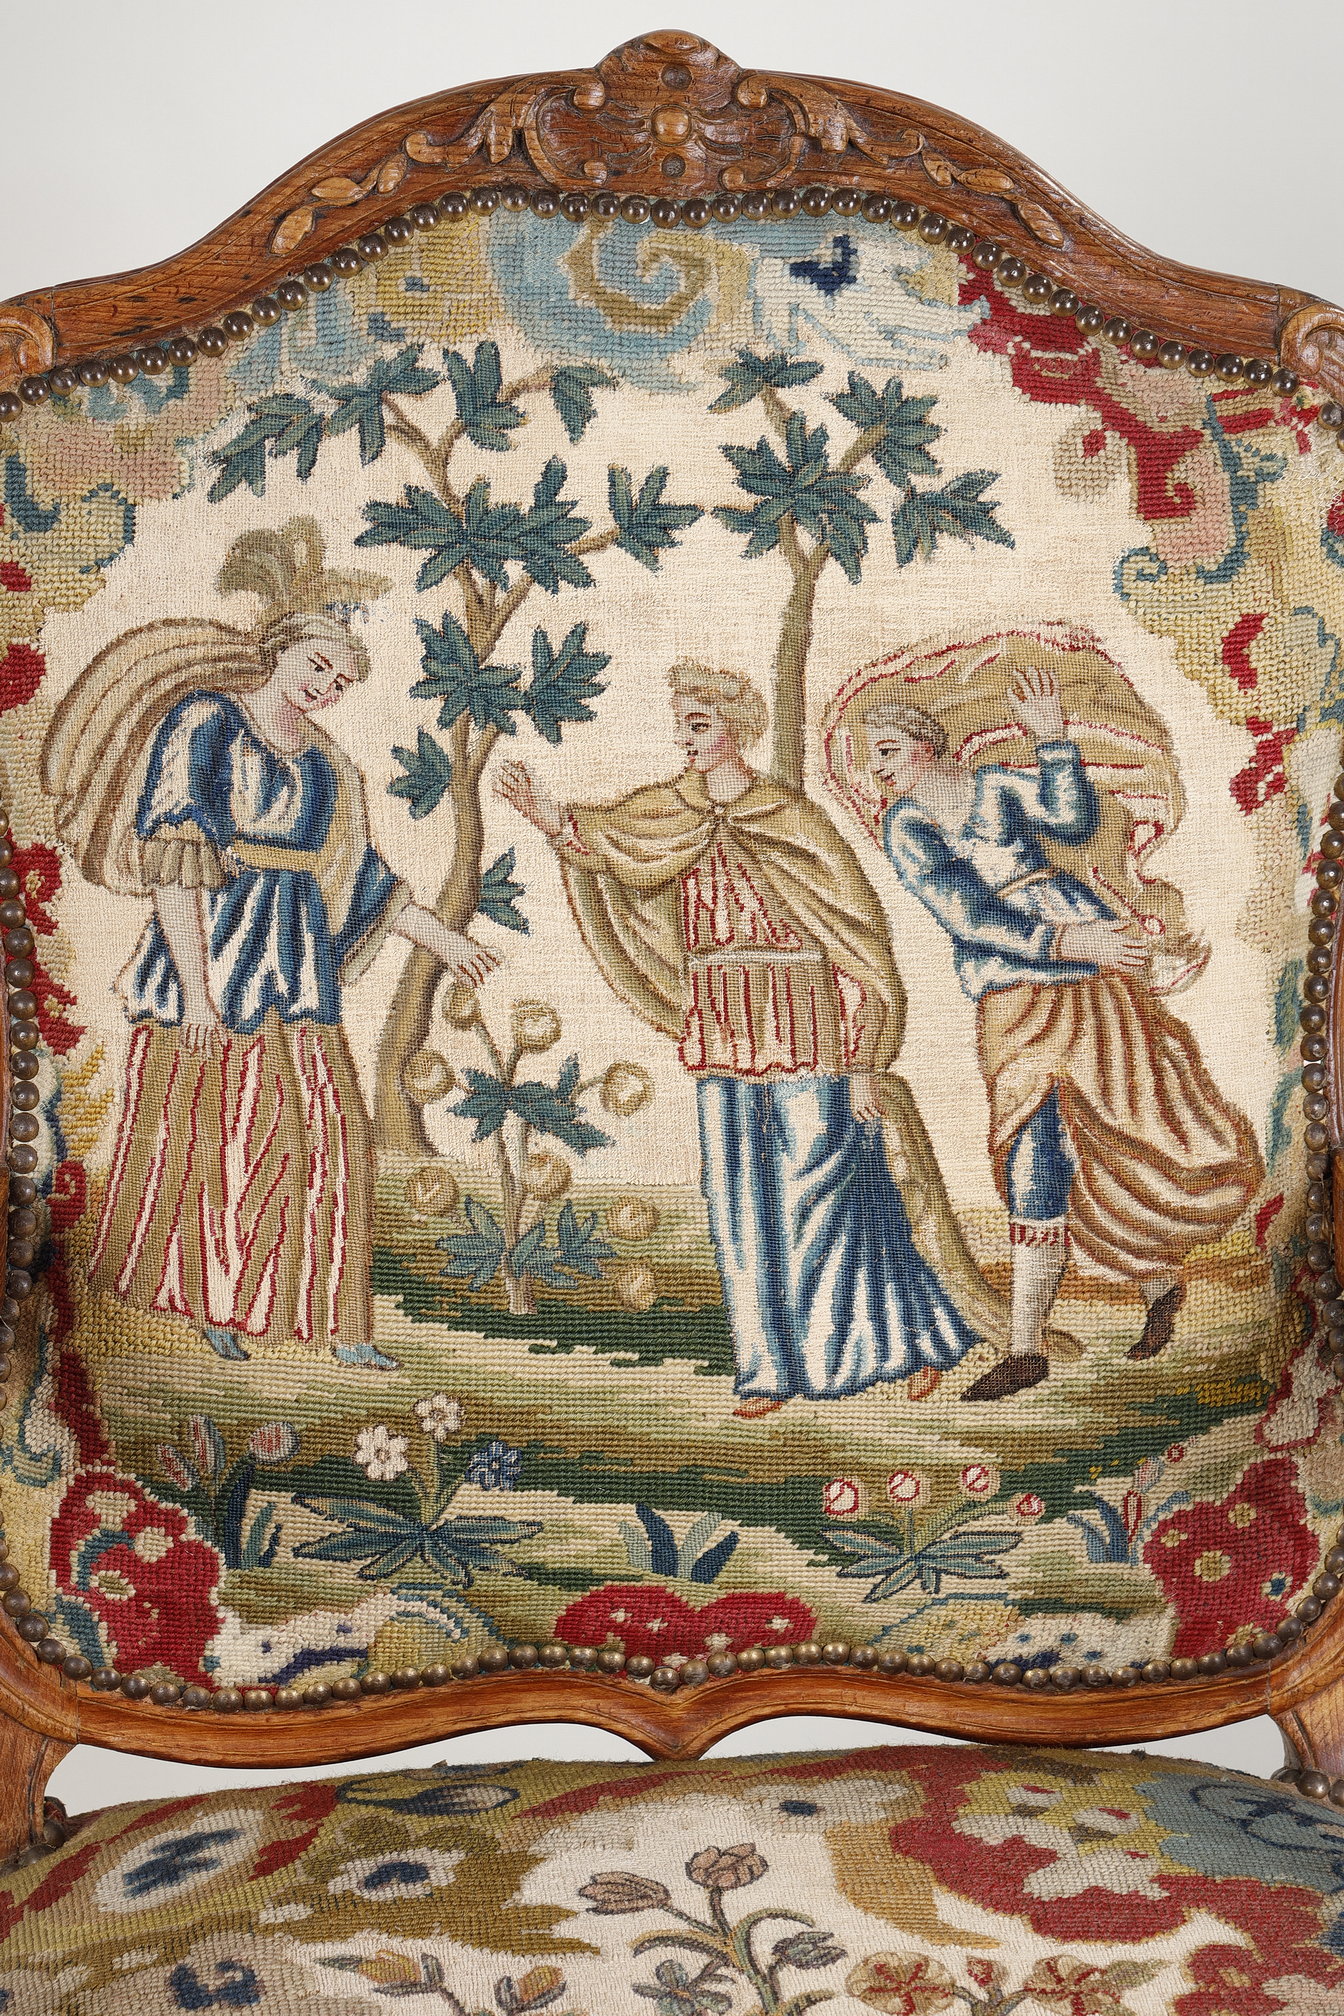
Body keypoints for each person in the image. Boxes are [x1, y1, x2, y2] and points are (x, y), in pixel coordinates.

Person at [42, 519, 500, 1368]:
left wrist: (443, 938)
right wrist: (196, 994)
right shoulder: (205, 723)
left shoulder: (328, 768)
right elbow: (176, 865)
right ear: (279, 651)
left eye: (342, 680)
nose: (327, 686)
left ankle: (332, 1321)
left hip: (294, 963)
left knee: (326, 1132)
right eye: (317, 665)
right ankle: (211, 1301)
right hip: (210, 953)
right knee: (214, 1130)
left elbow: (360, 878)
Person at [495, 660, 983, 1417]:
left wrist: (864, 1059)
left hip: (808, 1025)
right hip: (723, 1028)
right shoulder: (670, 809)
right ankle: (769, 1368)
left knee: (831, 1191)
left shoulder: (790, 817)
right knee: (738, 1201)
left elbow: (856, 940)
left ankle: (894, 1347)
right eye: (683, 726)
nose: (686, 739)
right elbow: (614, 845)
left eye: (699, 725)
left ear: (737, 729)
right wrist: (546, 816)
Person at [854, 662, 1263, 1400]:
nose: (878, 768)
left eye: (888, 749)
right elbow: (966, 915)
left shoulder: (995, 785)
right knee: (1030, 1149)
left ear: (926, 744)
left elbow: (1074, 822)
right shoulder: (906, 826)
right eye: (871, 756)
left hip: (1093, 967)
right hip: (1016, 984)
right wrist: (1067, 942)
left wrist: (1052, 742)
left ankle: (1157, 1281)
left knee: (1116, 1127)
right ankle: (1026, 1348)